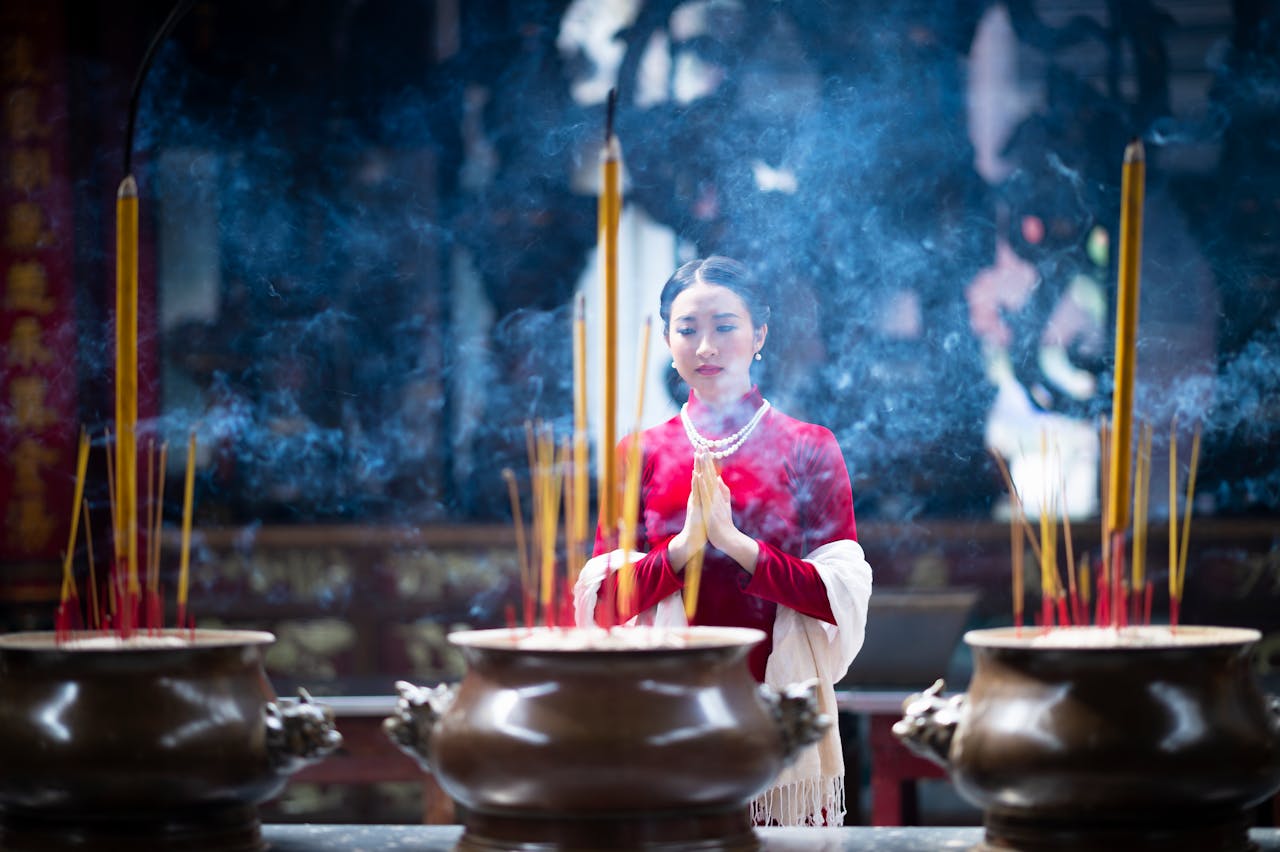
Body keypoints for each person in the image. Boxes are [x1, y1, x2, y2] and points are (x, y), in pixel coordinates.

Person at [573, 255, 873, 827]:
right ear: (667, 338)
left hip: (777, 710)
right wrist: (684, 548)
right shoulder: (638, 454)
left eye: (724, 326)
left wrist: (739, 545)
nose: (705, 346)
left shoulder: (809, 446)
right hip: (667, 713)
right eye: (687, 329)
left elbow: (839, 599)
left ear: (760, 333)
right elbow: (606, 607)